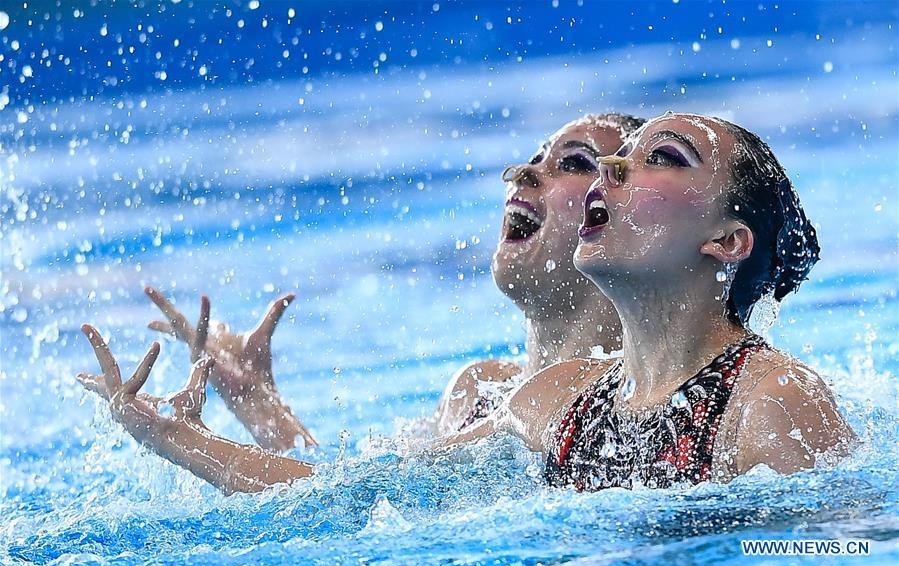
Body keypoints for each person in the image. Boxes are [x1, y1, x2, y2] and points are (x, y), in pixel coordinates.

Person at [79, 112, 856, 494]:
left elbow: (844, 549)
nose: (607, 175)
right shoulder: (551, 400)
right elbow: (353, 502)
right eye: (609, 162)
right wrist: (173, 437)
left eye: (661, 158)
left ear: (725, 241)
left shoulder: (770, 402)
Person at [118, 113, 644, 453]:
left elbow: (345, 500)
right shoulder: (476, 390)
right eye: (533, 159)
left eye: (572, 164)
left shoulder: (629, 398)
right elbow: (357, 499)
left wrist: (183, 442)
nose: (521, 174)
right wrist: (262, 406)